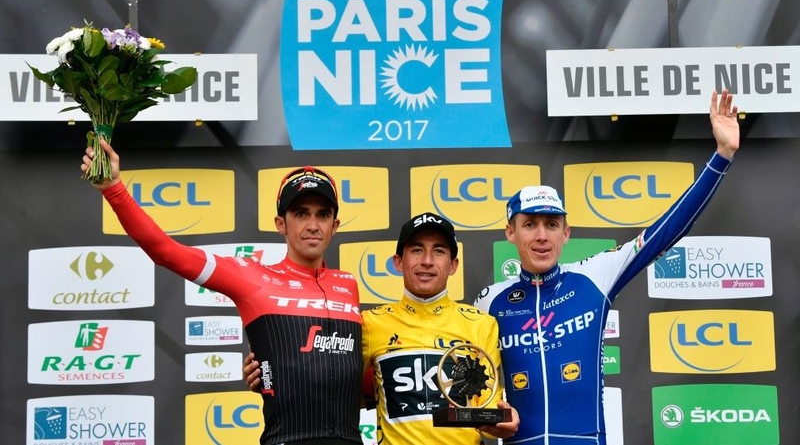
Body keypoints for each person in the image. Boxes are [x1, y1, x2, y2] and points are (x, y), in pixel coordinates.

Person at [473, 88, 742, 445]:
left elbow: (666, 230)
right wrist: (485, 420)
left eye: (551, 225)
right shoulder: (489, 303)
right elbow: (458, 404)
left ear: (566, 232)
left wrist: (722, 156)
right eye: (530, 224)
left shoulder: (593, 276)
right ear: (511, 232)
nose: (542, 236)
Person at [80, 145, 363, 445]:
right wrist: (113, 189)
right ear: (281, 224)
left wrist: (275, 370)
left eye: (322, 215)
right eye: (300, 213)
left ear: (335, 226)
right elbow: (166, 252)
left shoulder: (348, 285)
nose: (312, 225)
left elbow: (358, 373)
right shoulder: (253, 277)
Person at [246, 212, 520, 444]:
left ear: (453, 265)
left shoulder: (482, 324)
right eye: (416, 250)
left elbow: (488, 409)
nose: (427, 260)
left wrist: (500, 421)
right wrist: (274, 377)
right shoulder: (369, 324)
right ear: (398, 263)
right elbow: (333, 389)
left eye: (439, 251)